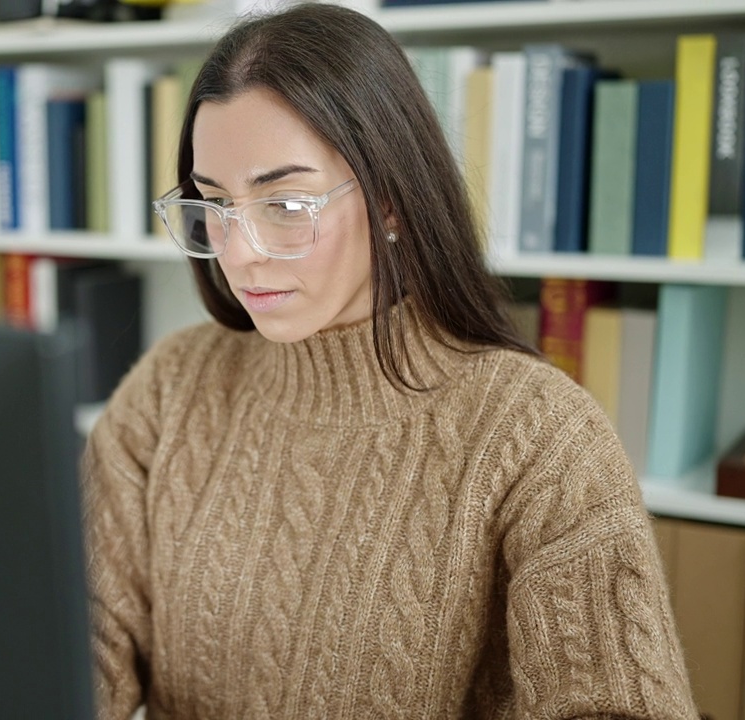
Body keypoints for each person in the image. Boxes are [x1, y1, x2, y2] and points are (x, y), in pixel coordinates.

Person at [81, 3, 698, 718]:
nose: (238, 250)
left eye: (284, 203)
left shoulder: (540, 437)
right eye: (214, 204)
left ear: (393, 200)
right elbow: (79, 634)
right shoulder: (171, 388)